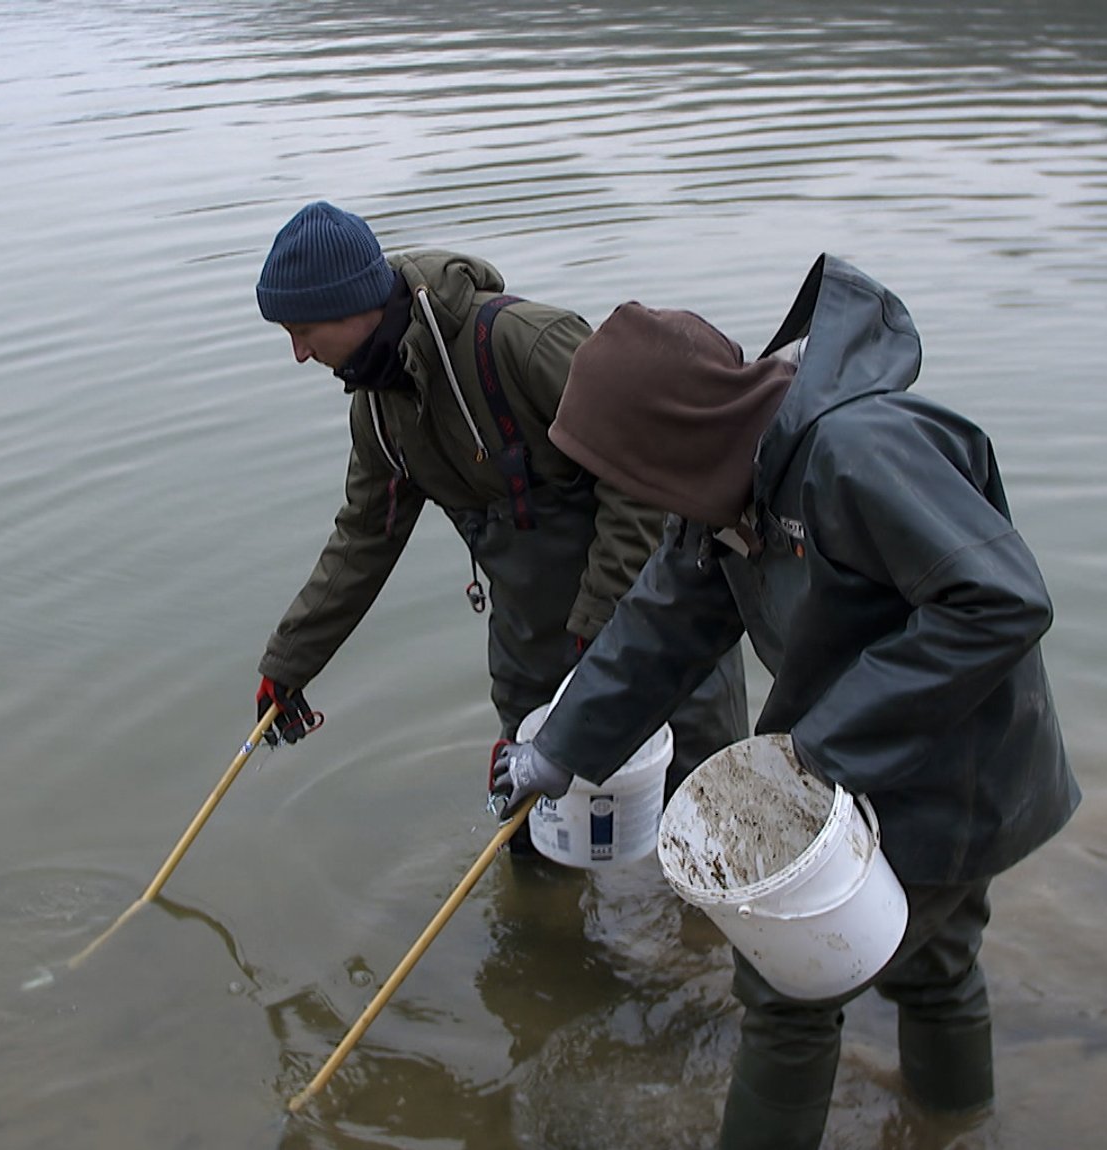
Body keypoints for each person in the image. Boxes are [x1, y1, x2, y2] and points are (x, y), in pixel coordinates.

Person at [490, 255, 1081, 1147]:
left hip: (956, 767)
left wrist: (817, 755)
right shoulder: (726, 485)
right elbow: (663, 621)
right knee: (936, 965)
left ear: (673, 437)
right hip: (897, 760)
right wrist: (560, 749)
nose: (627, 498)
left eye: (625, 473)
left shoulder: (859, 453)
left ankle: (939, 1126)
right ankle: (955, 1125)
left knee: (788, 988)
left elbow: (1003, 601)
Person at [249, 201, 746, 817]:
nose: (298, 353)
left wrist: (599, 618)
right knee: (531, 822)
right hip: (532, 642)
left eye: (302, 331)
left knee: (707, 812)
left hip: (656, 620)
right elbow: (362, 542)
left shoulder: (521, 343)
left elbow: (647, 471)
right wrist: (289, 662)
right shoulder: (378, 410)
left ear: (348, 304)